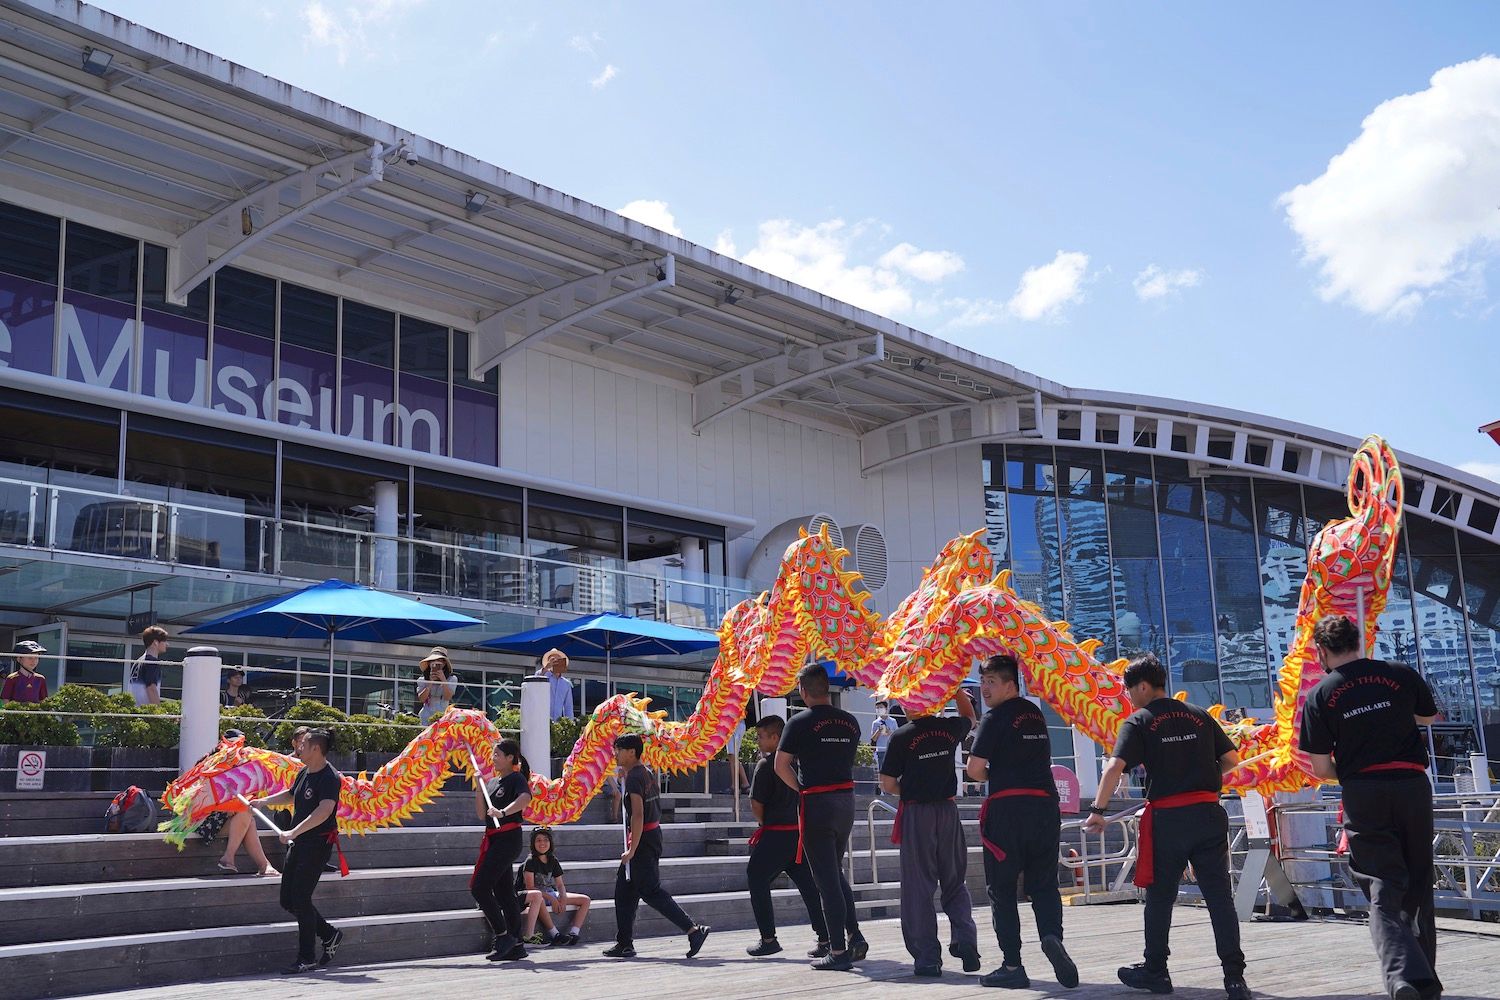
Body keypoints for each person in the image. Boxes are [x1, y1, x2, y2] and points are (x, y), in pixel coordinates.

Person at [1084, 654, 1249, 1000]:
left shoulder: (1140, 720)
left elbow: (1115, 766)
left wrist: (1098, 810)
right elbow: (1233, 760)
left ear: (1143, 686)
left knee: (1160, 898)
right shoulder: (1200, 716)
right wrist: (1204, 780)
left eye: (1130, 690)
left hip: (1169, 821)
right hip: (1208, 814)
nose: (1130, 698)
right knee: (1220, 898)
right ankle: (1235, 978)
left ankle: (1156, 970)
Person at [1299, 614, 1441, 1000]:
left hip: (1364, 790)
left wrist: (1351, 767)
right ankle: (1424, 977)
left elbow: (1322, 767)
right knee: (1417, 878)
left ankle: (1400, 976)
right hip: (1412, 785)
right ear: (1358, 642)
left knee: (1381, 882)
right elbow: (1429, 716)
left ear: (1322, 651)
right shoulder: (1398, 673)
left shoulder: (1321, 694)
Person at [965, 654, 1077, 990]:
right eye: (983, 681)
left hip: (1008, 810)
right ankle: (1051, 936)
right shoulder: (1035, 714)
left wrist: (992, 774)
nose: (984, 688)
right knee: (1044, 884)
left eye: (992, 682)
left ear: (1010, 685)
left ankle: (1013, 964)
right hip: (1044, 808)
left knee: (1001, 888)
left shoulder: (995, 717)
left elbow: (973, 769)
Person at [775, 663, 869, 972]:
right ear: (826, 688)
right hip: (846, 800)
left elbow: (780, 764)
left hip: (817, 801)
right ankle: (854, 935)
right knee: (835, 872)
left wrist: (800, 788)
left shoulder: (799, 722)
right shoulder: (850, 722)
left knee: (826, 878)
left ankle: (838, 949)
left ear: (802, 690)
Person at [881, 687, 981, 978]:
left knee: (918, 886)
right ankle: (966, 942)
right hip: (948, 811)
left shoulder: (902, 736)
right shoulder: (948, 728)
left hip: (918, 812)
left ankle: (927, 957)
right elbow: (970, 717)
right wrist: (955, 688)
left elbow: (887, 783)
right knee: (954, 880)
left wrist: (909, 791)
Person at [604, 733, 711, 959]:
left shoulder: (634, 777)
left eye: (618, 750)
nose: (615, 754)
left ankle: (693, 930)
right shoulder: (645, 772)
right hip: (651, 835)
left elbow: (638, 814)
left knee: (651, 891)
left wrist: (632, 849)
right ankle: (624, 943)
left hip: (643, 839)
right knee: (624, 891)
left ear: (631, 752)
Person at [248, 728, 344, 975]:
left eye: (304, 744)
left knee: (300, 898)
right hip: (300, 843)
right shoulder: (304, 772)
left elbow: (323, 812)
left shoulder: (329, 777)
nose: (299, 748)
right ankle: (329, 934)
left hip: (316, 845)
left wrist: (293, 832)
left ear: (316, 749)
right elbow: (291, 796)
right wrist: (263, 801)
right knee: (288, 900)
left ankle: (307, 958)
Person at [744, 714, 829, 958]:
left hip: (775, 834)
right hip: (799, 835)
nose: (758, 741)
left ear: (775, 737)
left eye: (761, 736)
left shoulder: (766, 764)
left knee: (756, 877)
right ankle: (825, 938)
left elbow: (756, 803)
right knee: (809, 887)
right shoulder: (800, 762)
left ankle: (768, 938)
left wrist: (763, 823)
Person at [471, 738, 532, 962]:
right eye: (493, 754)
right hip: (494, 839)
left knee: (479, 887)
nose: (493, 758)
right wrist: (479, 788)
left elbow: (525, 798)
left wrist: (503, 812)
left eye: (497, 754)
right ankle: (516, 943)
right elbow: (481, 814)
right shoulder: (492, 783)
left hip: (508, 837)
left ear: (510, 758)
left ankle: (503, 934)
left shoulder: (516, 778)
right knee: (505, 892)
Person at [516, 827, 590, 946]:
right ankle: (554, 934)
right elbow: (530, 887)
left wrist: (563, 897)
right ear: (533, 843)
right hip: (535, 896)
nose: (542, 843)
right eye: (538, 840)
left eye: (545, 840)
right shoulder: (530, 861)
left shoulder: (553, 860)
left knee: (585, 900)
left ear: (550, 842)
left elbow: (560, 884)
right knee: (539, 897)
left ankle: (574, 933)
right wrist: (552, 900)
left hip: (550, 893)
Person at [415, 647, 457, 726]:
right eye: (433, 661)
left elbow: (448, 697)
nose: (436, 663)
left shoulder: (452, 679)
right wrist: (430, 682)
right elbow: (421, 699)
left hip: (443, 717)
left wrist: (443, 679)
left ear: (444, 664)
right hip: (425, 716)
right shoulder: (422, 680)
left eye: (439, 661)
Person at [128, 625, 168, 705]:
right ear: (155, 642)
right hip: (146, 713)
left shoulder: (138, 662)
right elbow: (151, 689)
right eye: (164, 640)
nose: (167, 644)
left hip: (135, 711)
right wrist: (160, 714)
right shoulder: (152, 662)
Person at [869, 701, 897, 772]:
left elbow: (897, 735)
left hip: (891, 750)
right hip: (881, 750)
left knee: (892, 770)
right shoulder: (875, 723)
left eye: (881, 707)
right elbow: (873, 739)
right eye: (877, 708)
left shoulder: (893, 721)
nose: (879, 709)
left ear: (886, 708)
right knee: (882, 771)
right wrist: (878, 731)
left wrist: (889, 732)